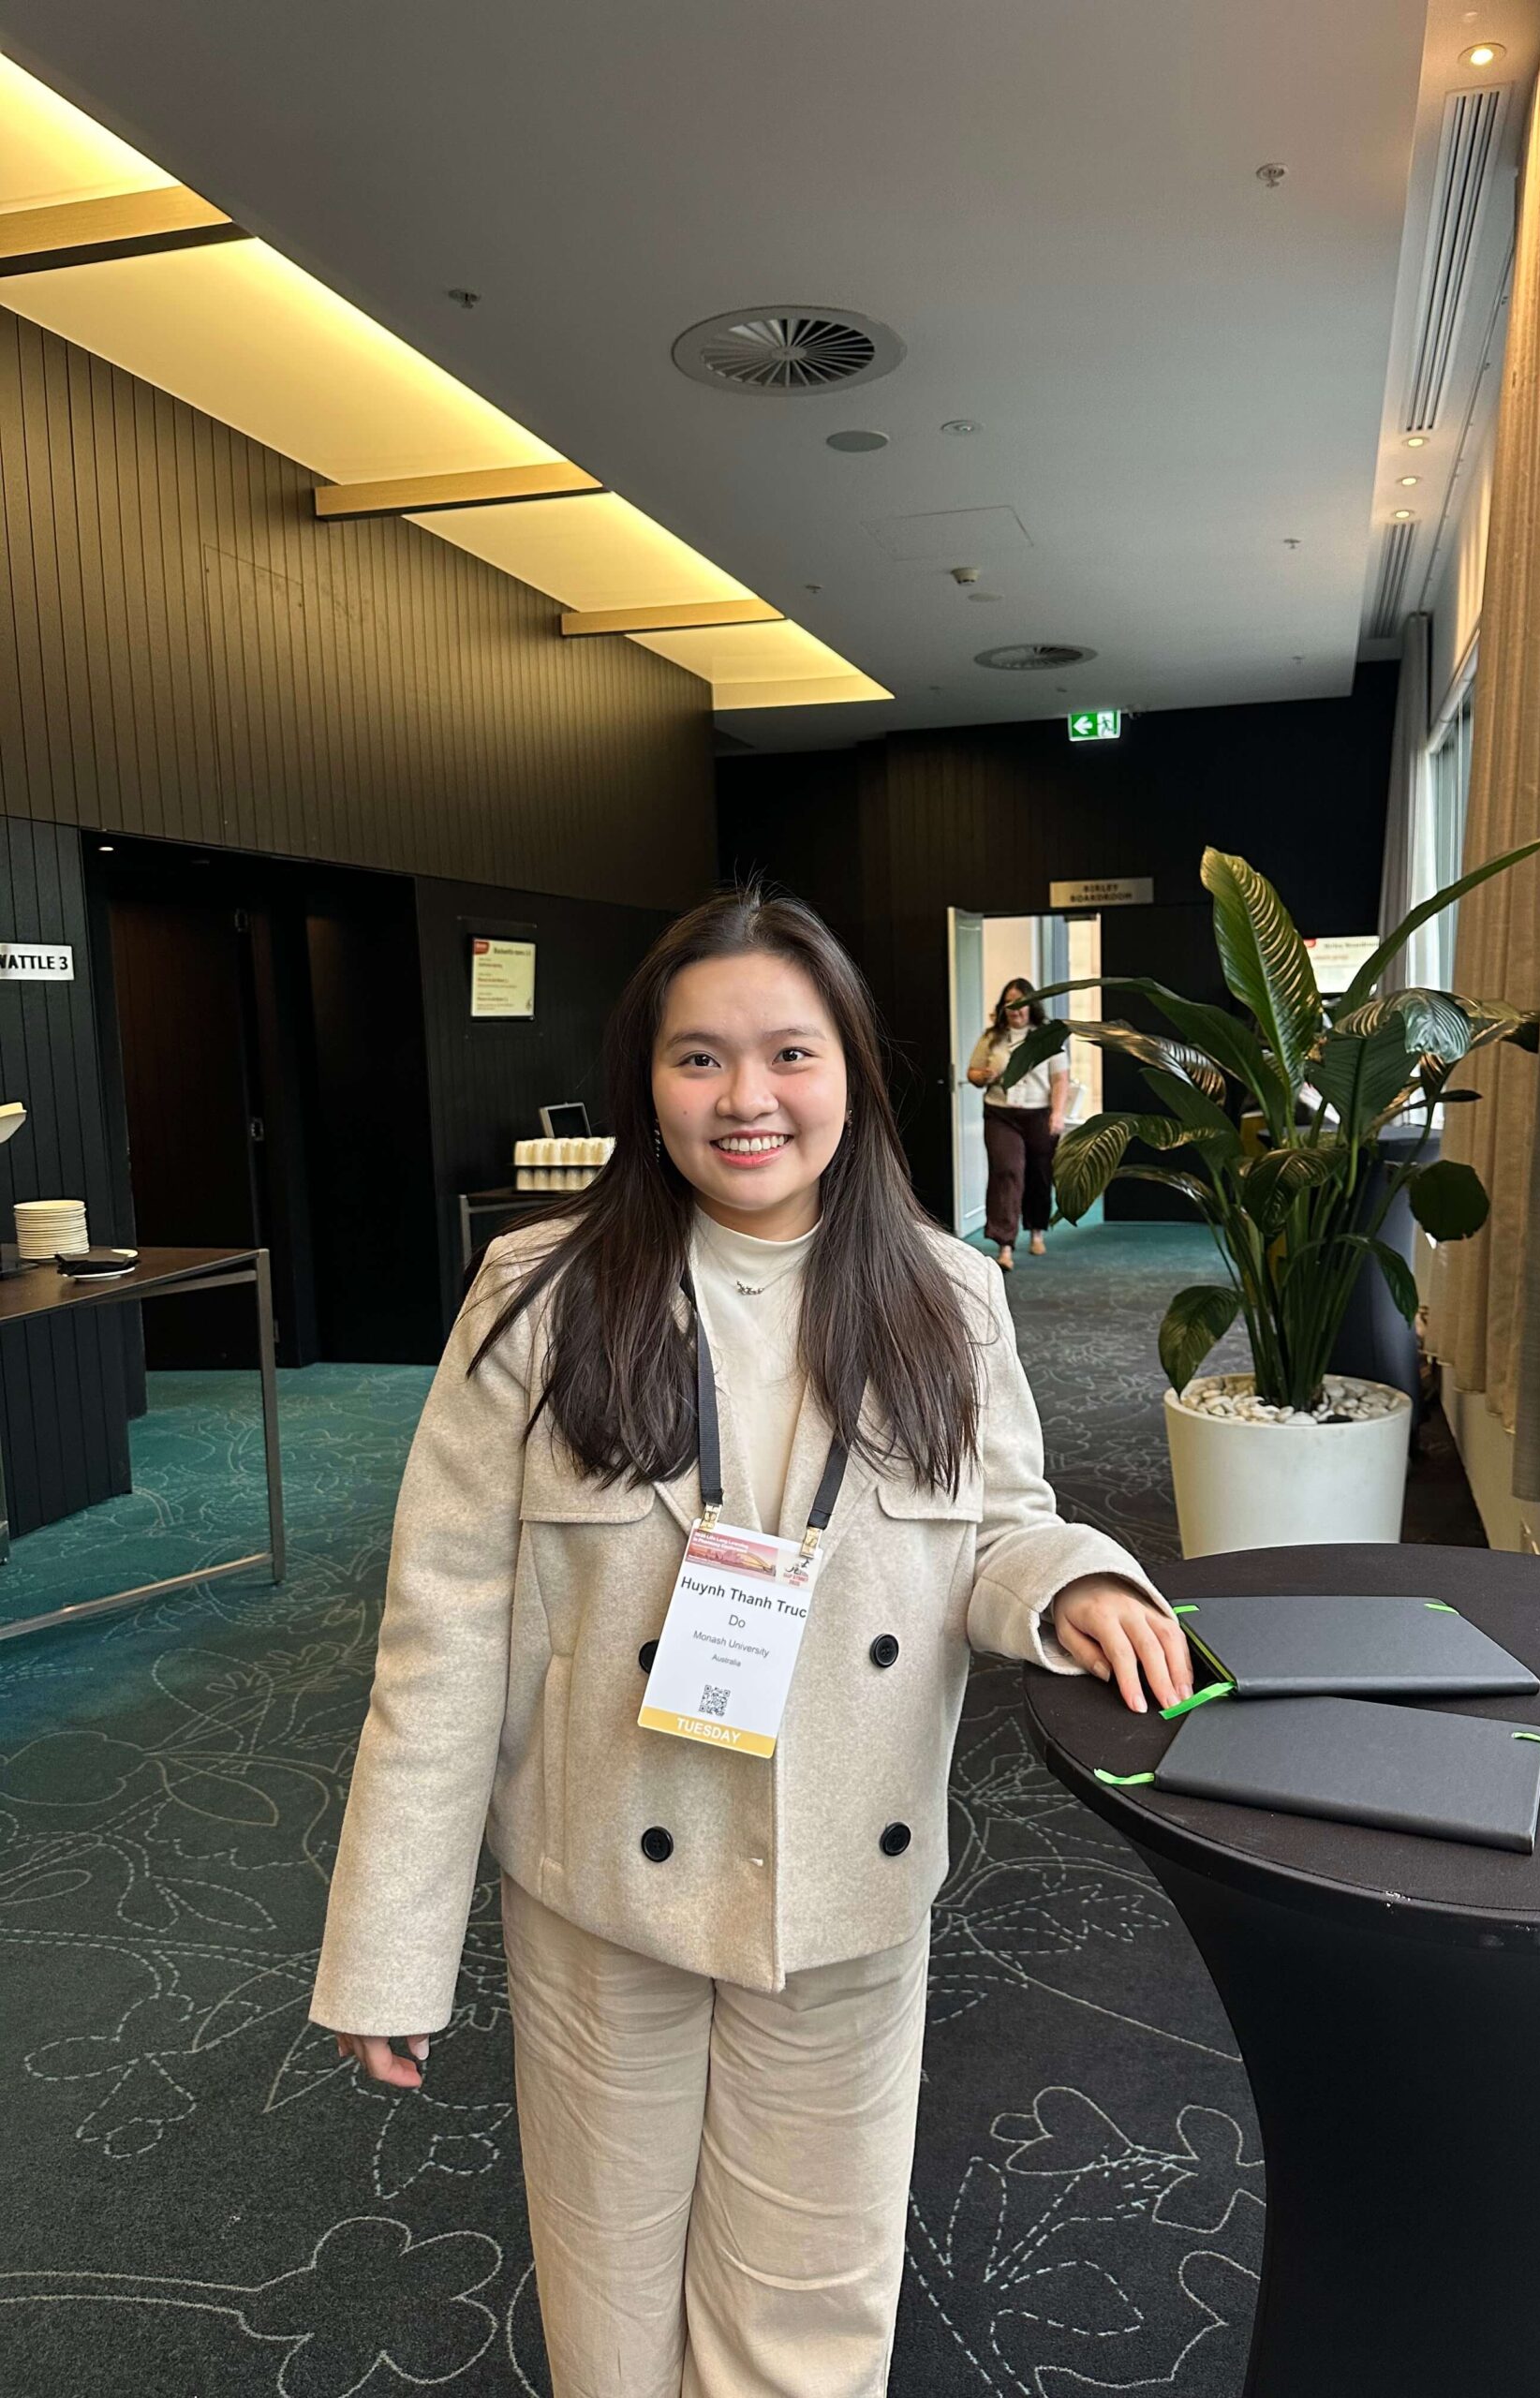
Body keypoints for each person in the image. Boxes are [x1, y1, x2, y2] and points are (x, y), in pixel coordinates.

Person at [310, 887, 1189, 2398]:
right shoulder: (537, 1300)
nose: (747, 1098)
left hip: (846, 1882)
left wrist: (1072, 1586)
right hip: (605, 1885)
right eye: (699, 1058)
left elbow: (999, 1524)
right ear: (645, 1083)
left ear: (851, 1071)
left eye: (789, 1053)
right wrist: (391, 1951)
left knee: (811, 2309)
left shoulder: (948, 1296)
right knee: (610, 2307)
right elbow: (441, 1632)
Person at [967, 977, 1069, 1268]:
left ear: (1031, 1006)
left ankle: (1037, 1230)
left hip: (1039, 1113)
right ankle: (1005, 1244)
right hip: (1001, 1114)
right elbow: (972, 1072)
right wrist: (983, 1075)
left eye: (1021, 1003)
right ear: (1003, 1007)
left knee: (1039, 1173)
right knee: (1006, 1171)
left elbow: (1060, 1079)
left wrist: (1057, 1113)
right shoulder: (992, 1037)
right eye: (1009, 1002)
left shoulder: (1047, 1037)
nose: (1015, 1008)